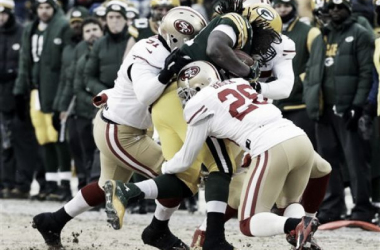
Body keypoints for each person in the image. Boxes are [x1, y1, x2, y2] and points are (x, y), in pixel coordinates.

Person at [32, 7, 206, 250]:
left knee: (105, 186)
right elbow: (146, 95)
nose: (195, 45)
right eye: (191, 39)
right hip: (121, 132)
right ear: (175, 37)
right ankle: (158, 230)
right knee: (176, 178)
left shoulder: (158, 46)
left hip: (123, 125)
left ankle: (52, 221)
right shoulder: (149, 53)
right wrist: (168, 71)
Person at [106, 60, 326, 249]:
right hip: (299, 138)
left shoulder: (198, 104)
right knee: (289, 203)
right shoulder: (240, 83)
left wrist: (164, 168)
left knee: (249, 223)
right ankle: (303, 236)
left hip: (271, 147)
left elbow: (186, 159)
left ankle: (295, 226)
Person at [303, 0, 375, 224]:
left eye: (339, 7)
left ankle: (362, 207)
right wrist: (311, 99)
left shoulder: (361, 34)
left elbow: (366, 73)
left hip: (346, 109)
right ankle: (332, 206)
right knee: (326, 161)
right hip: (322, 109)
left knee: (355, 161)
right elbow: (310, 70)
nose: (334, 11)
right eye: (331, 8)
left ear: (349, 9)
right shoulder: (320, 37)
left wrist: (357, 106)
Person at [13, 0, 72, 200]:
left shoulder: (62, 26)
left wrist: (62, 97)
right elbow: (24, 61)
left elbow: (65, 64)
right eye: (40, 7)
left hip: (54, 89)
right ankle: (49, 184)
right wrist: (20, 90)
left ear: (54, 8)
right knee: (43, 137)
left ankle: (63, 185)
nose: (44, 11)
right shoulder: (30, 29)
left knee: (57, 136)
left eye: (47, 7)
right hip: (35, 90)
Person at [0, 0, 43, 199]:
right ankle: (6, 182)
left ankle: (22, 183)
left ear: (9, 14)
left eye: (3, 14)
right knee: (4, 143)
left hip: (18, 96)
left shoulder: (22, 32)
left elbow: (25, 65)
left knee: (22, 142)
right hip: (2, 97)